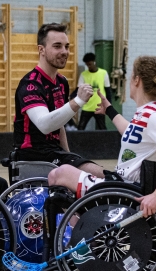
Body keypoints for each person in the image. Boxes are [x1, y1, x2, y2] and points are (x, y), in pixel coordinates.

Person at [49, 56, 156, 216]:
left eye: (131, 77)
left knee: (58, 174)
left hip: (125, 190)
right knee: (69, 171)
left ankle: (72, 233)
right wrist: (108, 109)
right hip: (120, 183)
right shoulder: (147, 111)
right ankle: (78, 229)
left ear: (136, 80)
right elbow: (130, 132)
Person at [11, 23, 102, 177]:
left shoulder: (62, 82)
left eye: (66, 46)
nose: (64, 52)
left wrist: (69, 156)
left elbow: (59, 124)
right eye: (57, 46)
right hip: (33, 156)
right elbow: (45, 125)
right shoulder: (31, 84)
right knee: (97, 174)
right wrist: (78, 101)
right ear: (41, 50)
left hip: (54, 154)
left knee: (101, 174)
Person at [77, 52, 112, 130]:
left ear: (94, 62)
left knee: (102, 128)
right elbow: (78, 90)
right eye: (87, 65)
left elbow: (108, 91)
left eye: (90, 64)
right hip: (87, 106)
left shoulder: (103, 73)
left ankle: (106, 142)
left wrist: (109, 106)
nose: (88, 66)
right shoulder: (83, 74)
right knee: (80, 128)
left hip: (99, 106)